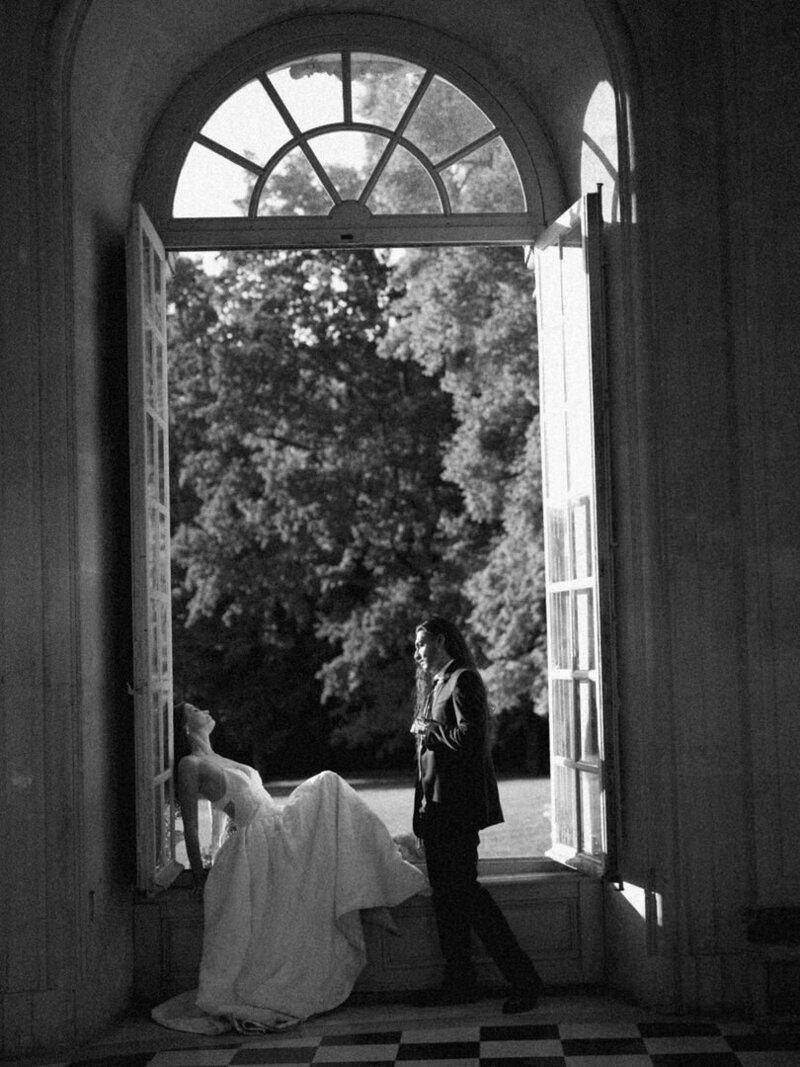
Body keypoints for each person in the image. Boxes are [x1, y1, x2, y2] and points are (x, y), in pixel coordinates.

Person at [151, 702, 428, 1035]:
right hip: (260, 845)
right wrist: (199, 875)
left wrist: (218, 848)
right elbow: (195, 825)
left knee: (330, 789)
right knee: (328, 784)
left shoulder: (217, 756)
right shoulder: (189, 764)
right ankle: (370, 896)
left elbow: (222, 818)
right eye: (195, 708)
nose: (205, 709)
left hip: (274, 828)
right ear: (184, 725)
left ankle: (369, 895)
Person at [409, 616, 543, 1013]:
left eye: (420, 644)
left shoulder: (464, 679)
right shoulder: (434, 686)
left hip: (457, 811)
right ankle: (459, 983)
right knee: (447, 902)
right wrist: (420, 810)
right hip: (435, 811)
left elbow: (473, 736)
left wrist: (432, 731)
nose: (416, 653)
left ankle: (525, 981)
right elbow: (426, 758)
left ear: (441, 641)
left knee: (468, 896)